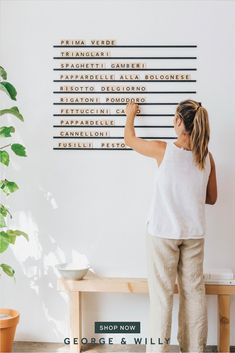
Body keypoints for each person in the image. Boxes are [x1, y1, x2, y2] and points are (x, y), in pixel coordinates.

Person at [124, 99, 217, 353]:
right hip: (194, 235)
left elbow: (129, 139)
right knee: (194, 295)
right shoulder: (207, 158)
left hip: (162, 234)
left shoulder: (163, 151)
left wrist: (130, 114)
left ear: (179, 122)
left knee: (162, 299)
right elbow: (211, 198)